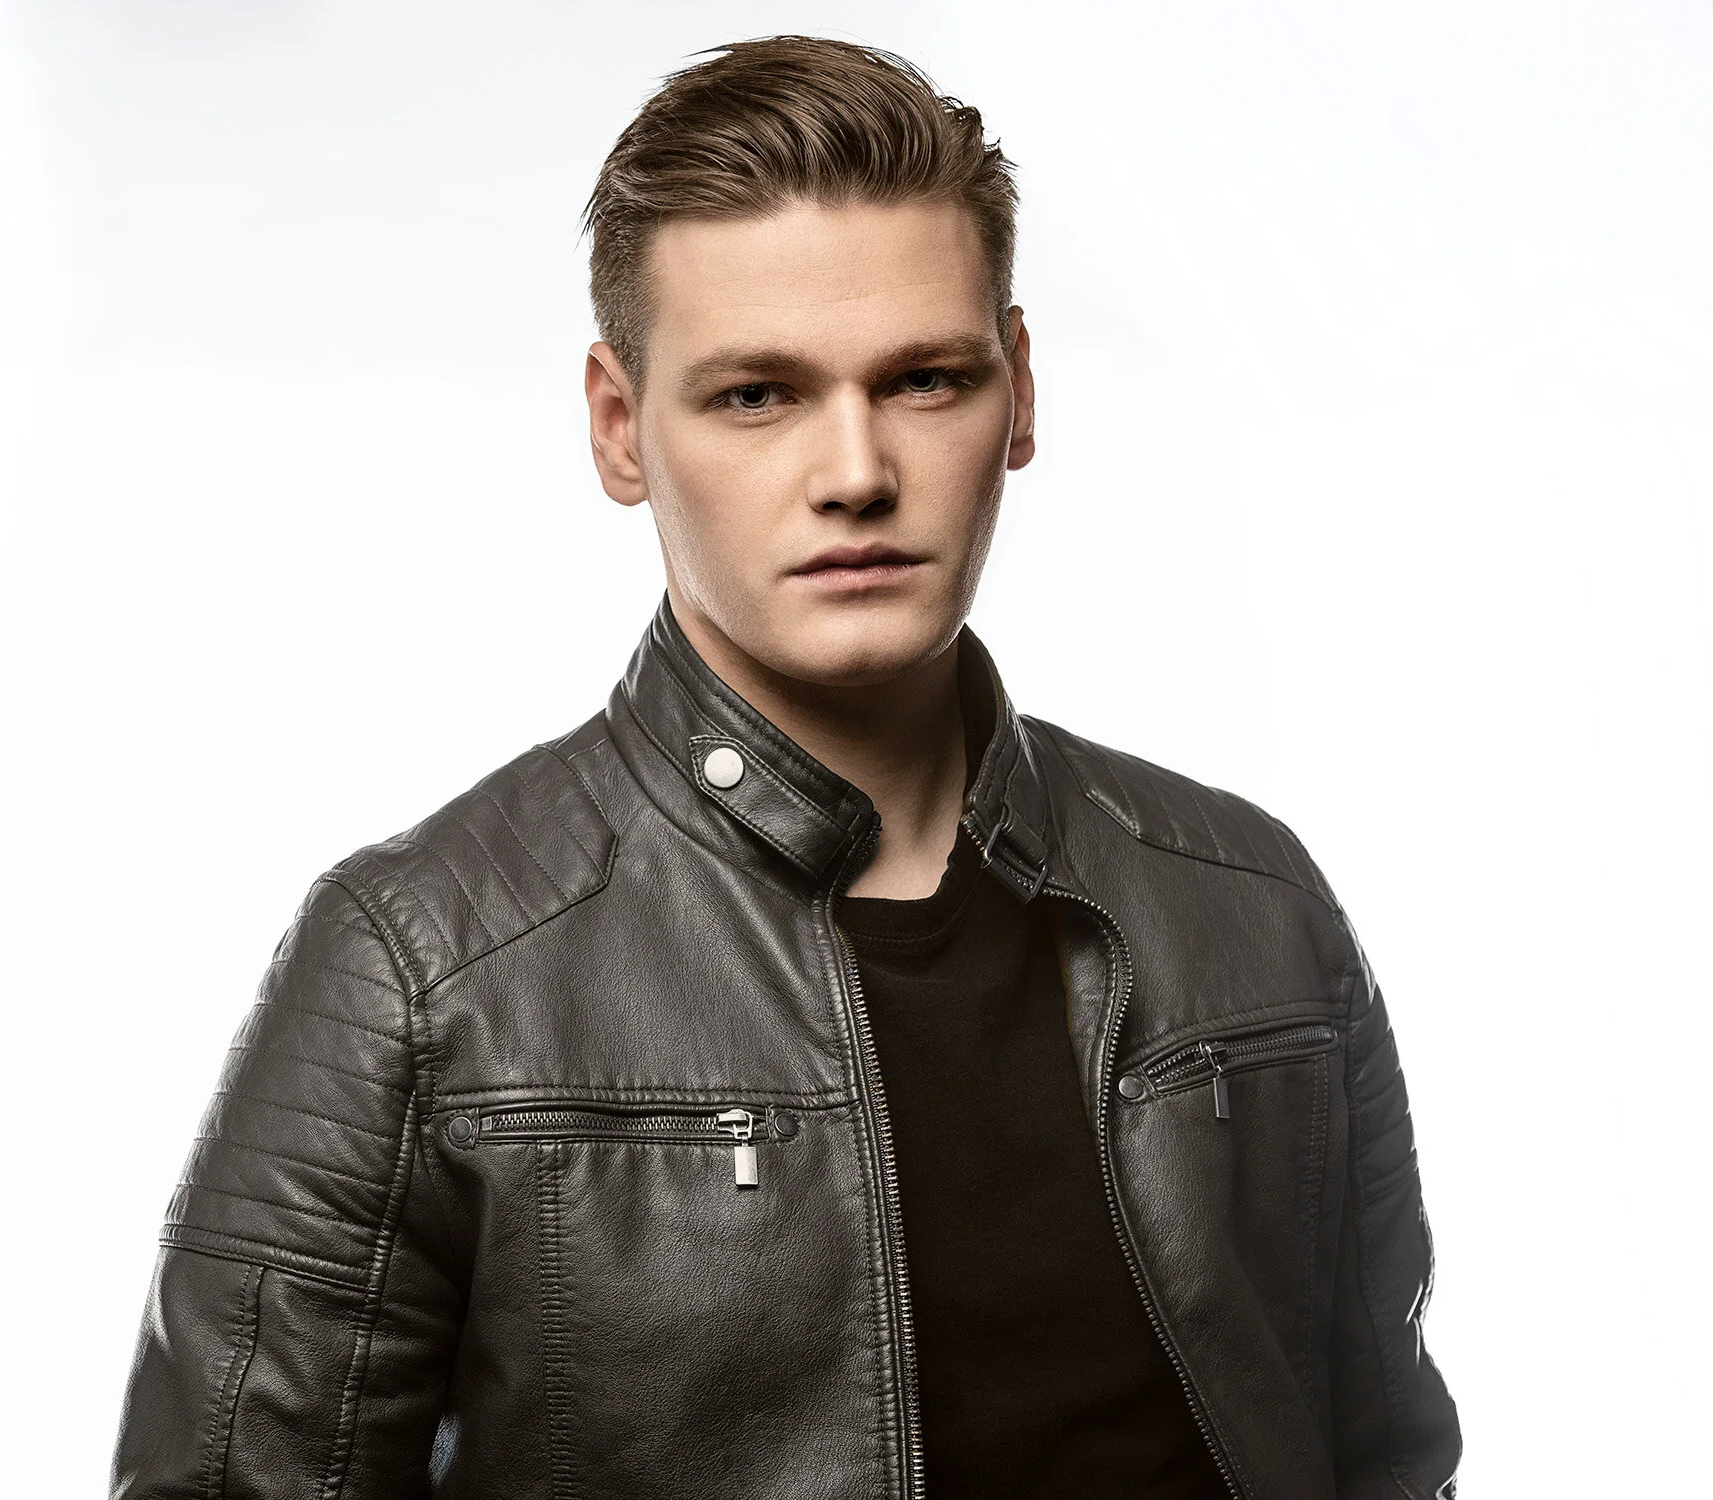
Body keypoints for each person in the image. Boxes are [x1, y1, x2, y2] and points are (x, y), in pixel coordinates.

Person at [109, 34, 1461, 1500]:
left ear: (1016, 389)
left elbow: (1385, 1457)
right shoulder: (425, 968)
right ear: (621, 428)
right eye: (755, 395)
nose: (855, 471)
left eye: (924, 379)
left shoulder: (1245, 908)